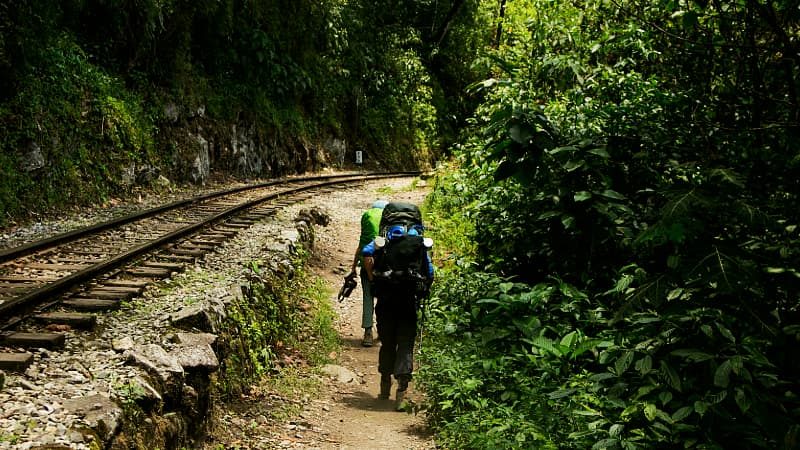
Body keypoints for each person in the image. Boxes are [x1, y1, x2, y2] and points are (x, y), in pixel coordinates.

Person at [362, 223, 434, 409]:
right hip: (408, 303)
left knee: (387, 343)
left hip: (386, 303)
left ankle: (385, 386)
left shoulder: (384, 243)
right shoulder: (418, 245)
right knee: (405, 343)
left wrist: (372, 279)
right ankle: (401, 391)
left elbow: (366, 254)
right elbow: (430, 273)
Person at [349, 199, 388, 347]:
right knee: (384, 299)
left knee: (368, 297)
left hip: (367, 266)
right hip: (384, 267)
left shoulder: (367, 219)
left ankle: (368, 333)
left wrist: (353, 268)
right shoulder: (388, 223)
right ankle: (383, 331)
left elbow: (360, 247)